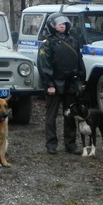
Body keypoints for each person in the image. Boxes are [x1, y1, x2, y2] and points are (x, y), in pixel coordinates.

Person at [37, 13, 86, 155]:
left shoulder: (73, 40)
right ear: (52, 26)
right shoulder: (48, 43)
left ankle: (70, 145)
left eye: (64, 23)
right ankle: (51, 145)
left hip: (70, 83)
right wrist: (49, 84)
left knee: (70, 115)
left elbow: (79, 61)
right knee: (51, 116)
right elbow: (44, 65)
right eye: (58, 23)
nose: (62, 25)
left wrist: (82, 80)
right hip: (55, 83)